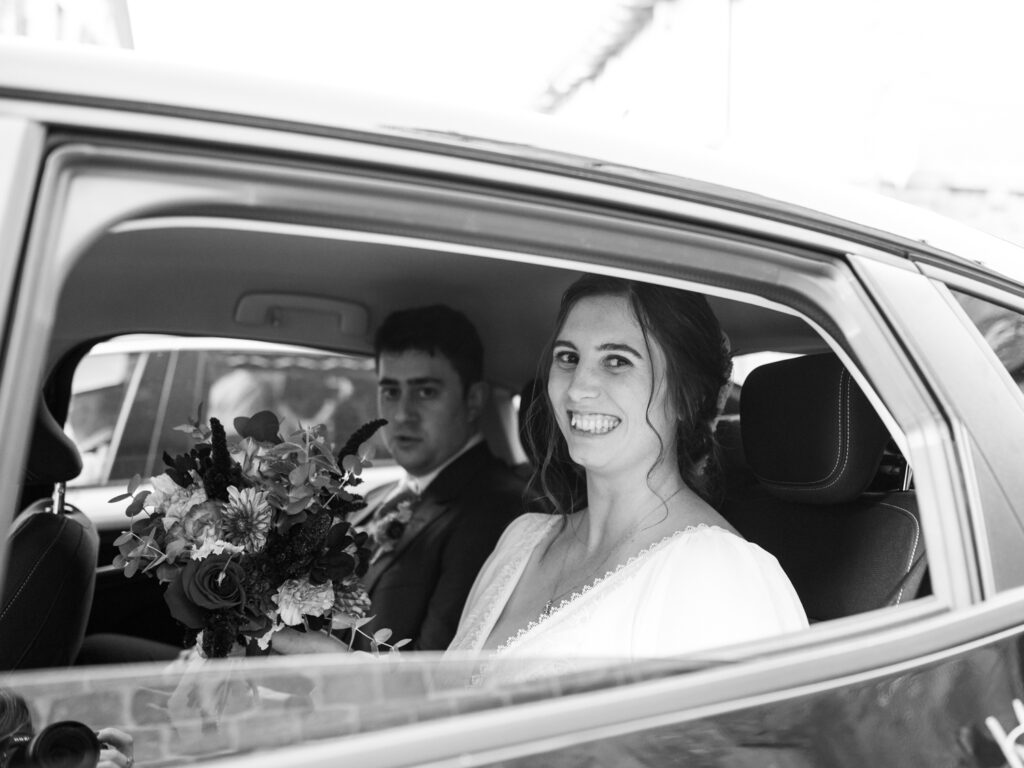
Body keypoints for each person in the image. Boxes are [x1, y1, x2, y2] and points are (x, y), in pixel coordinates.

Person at [446, 275, 808, 684]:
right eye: (568, 357)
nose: (578, 389)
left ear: (687, 395)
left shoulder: (718, 574)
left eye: (617, 361)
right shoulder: (521, 541)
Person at [274, 304, 525, 654]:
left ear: (473, 400)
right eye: (391, 391)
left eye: (426, 392)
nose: (403, 414)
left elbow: (435, 668)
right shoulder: (373, 498)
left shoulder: (499, 512)